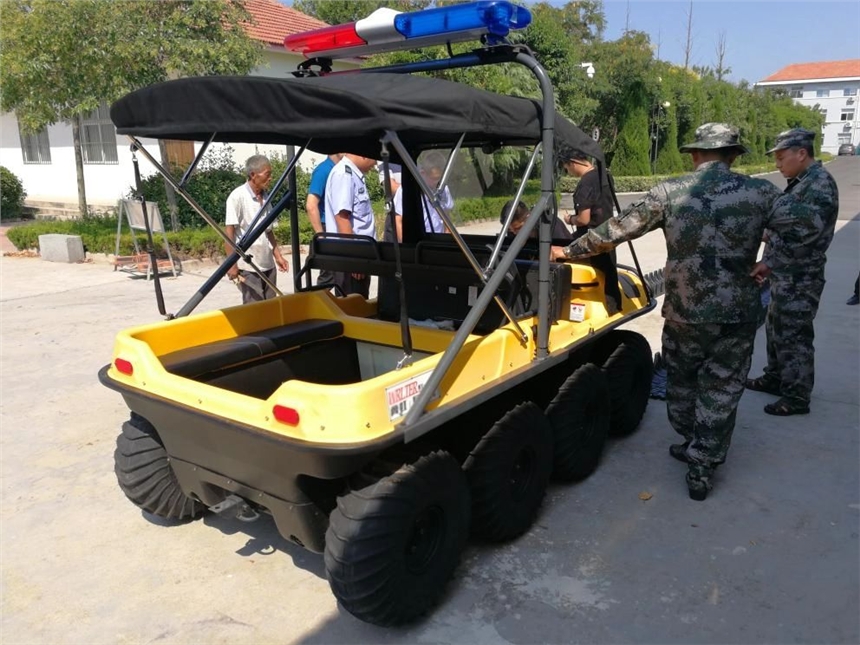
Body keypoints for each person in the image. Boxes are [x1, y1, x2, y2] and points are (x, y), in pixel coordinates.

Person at [550, 123, 786, 501]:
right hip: (737, 313)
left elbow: (616, 230)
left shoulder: (670, 192)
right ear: (734, 155)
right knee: (722, 387)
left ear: (694, 155)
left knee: (682, 380)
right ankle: (704, 460)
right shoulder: (762, 192)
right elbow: (801, 229)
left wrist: (569, 251)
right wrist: (770, 260)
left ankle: (693, 446)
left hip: (685, 313)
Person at [747, 128, 840, 415]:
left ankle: (797, 397)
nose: (777, 164)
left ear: (802, 153)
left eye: (780, 157)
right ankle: (776, 378)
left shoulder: (819, 185)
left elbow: (804, 234)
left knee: (795, 336)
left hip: (801, 276)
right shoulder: (802, 182)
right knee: (776, 328)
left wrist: (769, 263)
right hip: (787, 275)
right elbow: (785, 227)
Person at [557, 146, 622, 314]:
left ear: (572, 163)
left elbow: (583, 219)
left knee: (558, 257)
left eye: (567, 168)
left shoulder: (585, 183)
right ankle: (612, 310)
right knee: (609, 278)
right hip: (608, 235)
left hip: (590, 241)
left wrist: (569, 219)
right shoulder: (605, 176)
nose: (568, 172)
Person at [225, 155, 288, 303]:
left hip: (267, 263)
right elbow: (229, 233)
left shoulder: (266, 197)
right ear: (253, 175)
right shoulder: (237, 197)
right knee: (254, 309)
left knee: (270, 306)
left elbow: (269, 230)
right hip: (248, 266)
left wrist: (278, 255)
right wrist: (231, 265)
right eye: (267, 174)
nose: (270, 178)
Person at [324, 153, 377, 297]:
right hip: (350, 260)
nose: (376, 163)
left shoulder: (353, 174)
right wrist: (355, 260)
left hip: (360, 256)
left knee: (360, 306)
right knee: (353, 308)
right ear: (364, 155)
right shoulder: (344, 174)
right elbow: (342, 219)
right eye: (374, 157)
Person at [385, 152, 452, 242]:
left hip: (438, 240)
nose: (436, 182)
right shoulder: (406, 189)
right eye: (433, 178)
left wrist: (446, 240)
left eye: (439, 178)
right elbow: (399, 221)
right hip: (419, 242)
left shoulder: (443, 188)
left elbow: (447, 217)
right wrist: (406, 246)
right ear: (423, 173)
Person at [306, 153, 343, 286]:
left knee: (339, 275)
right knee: (328, 276)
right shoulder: (324, 170)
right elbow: (311, 205)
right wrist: (320, 234)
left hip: (335, 227)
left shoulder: (338, 169)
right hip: (327, 227)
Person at [499, 199, 572, 241]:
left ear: (529, 218)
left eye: (518, 228)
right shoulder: (512, 231)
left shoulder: (549, 224)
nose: (514, 233)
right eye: (510, 230)